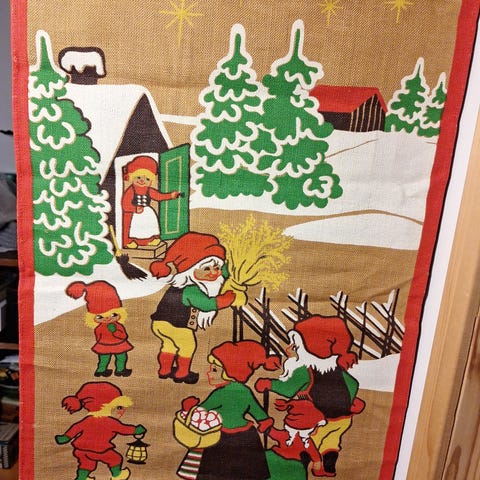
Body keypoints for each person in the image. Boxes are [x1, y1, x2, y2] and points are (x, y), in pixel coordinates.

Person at [255, 315, 365, 477]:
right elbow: (353, 384)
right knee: (331, 441)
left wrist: (268, 384)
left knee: (307, 443)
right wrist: (350, 401)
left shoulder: (305, 370)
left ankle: (300, 467)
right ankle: (328, 468)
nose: (292, 347)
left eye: (296, 344)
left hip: (317, 420)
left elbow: (288, 389)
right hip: (343, 419)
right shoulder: (336, 369)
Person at [177, 340, 281, 479]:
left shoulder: (220, 393)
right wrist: (268, 426)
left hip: (221, 437)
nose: (209, 373)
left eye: (214, 369)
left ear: (229, 372)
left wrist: (189, 407)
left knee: (216, 471)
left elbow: (200, 411)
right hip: (247, 436)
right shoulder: (245, 391)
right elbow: (259, 414)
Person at [150, 232, 235, 384]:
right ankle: (182, 373)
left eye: (217, 267)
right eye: (206, 268)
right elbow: (207, 304)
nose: (213, 273)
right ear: (190, 269)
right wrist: (227, 299)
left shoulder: (180, 285)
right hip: (176, 326)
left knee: (169, 345)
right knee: (188, 346)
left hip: (159, 324)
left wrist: (229, 268)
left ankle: (164, 370)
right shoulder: (191, 289)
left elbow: (221, 275)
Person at [55, 382, 146, 480]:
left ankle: (82, 478)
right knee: (115, 459)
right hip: (99, 450)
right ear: (106, 406)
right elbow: (124, 429)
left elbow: (75, 428)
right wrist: (136, 430)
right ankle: (117, 475)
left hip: (81, 450)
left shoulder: (87, 420)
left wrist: (65, 437)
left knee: (87, 464)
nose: (122, 411)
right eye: (119, 407)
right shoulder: (110, 422)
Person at [66, 281, 133, 377]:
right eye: (100, 317)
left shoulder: (114, 326)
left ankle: (117, 370)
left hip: (111, 345)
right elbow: (102, 336)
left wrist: (115, 331)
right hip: (110, 345)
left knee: (118, 357)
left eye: (113, 315)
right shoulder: (105, 327)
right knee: (108, 358)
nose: (107, 318)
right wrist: (114, 332)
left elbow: (122, 335)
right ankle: (104, 370)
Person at [121, 155, 180, 249]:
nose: (142, 181)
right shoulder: (131, 190)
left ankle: (149, 240)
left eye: (147, 179)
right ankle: (131, 241)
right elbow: (125, 204)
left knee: (149, 225)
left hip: (146, 212)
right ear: (132, 177)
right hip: (134, 213)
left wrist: (170, 196)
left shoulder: (149, 190)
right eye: (139, 177)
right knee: (135, 228)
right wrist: (134, 209)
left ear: (151, 181)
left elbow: (158, 196)